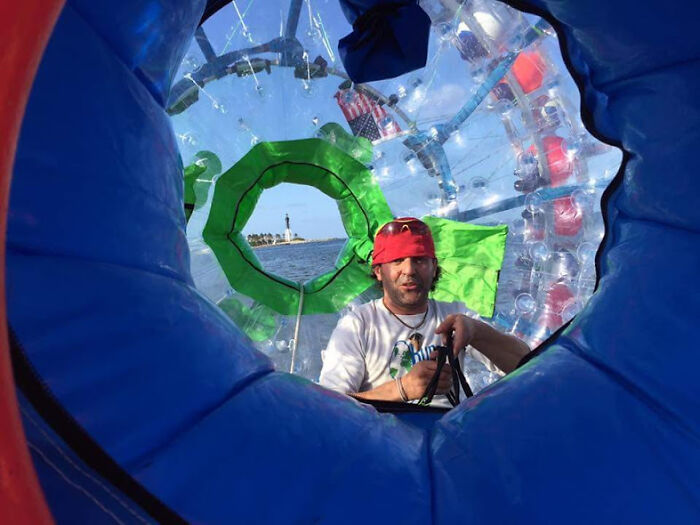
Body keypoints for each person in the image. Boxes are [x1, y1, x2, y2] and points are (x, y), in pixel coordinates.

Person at [319, 217, 529, 406]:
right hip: (383, 442)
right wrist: (402, 389)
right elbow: (329, 406)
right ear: (378, 271)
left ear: (434, 267)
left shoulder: (455, 315)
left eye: (419, 259)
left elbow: (527, 366)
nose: (409, 270)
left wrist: (477, 332)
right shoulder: (357, 324)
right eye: (397, 260)